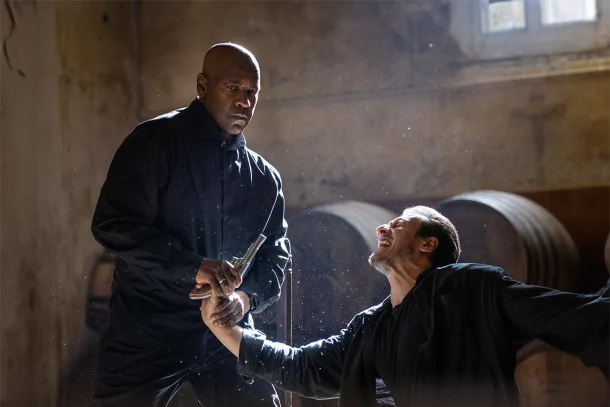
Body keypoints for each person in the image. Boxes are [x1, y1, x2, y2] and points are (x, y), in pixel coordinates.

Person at [200, 205, 610, 407]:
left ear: (428, 244)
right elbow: (305, 369)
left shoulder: (472, 288)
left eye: (399, 224)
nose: (383, 226)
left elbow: (569, 316)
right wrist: (229, 329)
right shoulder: (371, 326)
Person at [91, 43, 290, 407]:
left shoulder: (264, 179)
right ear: (202, 86)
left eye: (252, 92)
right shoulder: (154, 142)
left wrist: (246, 299)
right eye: (232, 87)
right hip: (148, 330)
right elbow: (113, 224)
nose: (244, 101)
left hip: (226, 330)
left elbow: (276, 255)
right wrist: (192, 265)